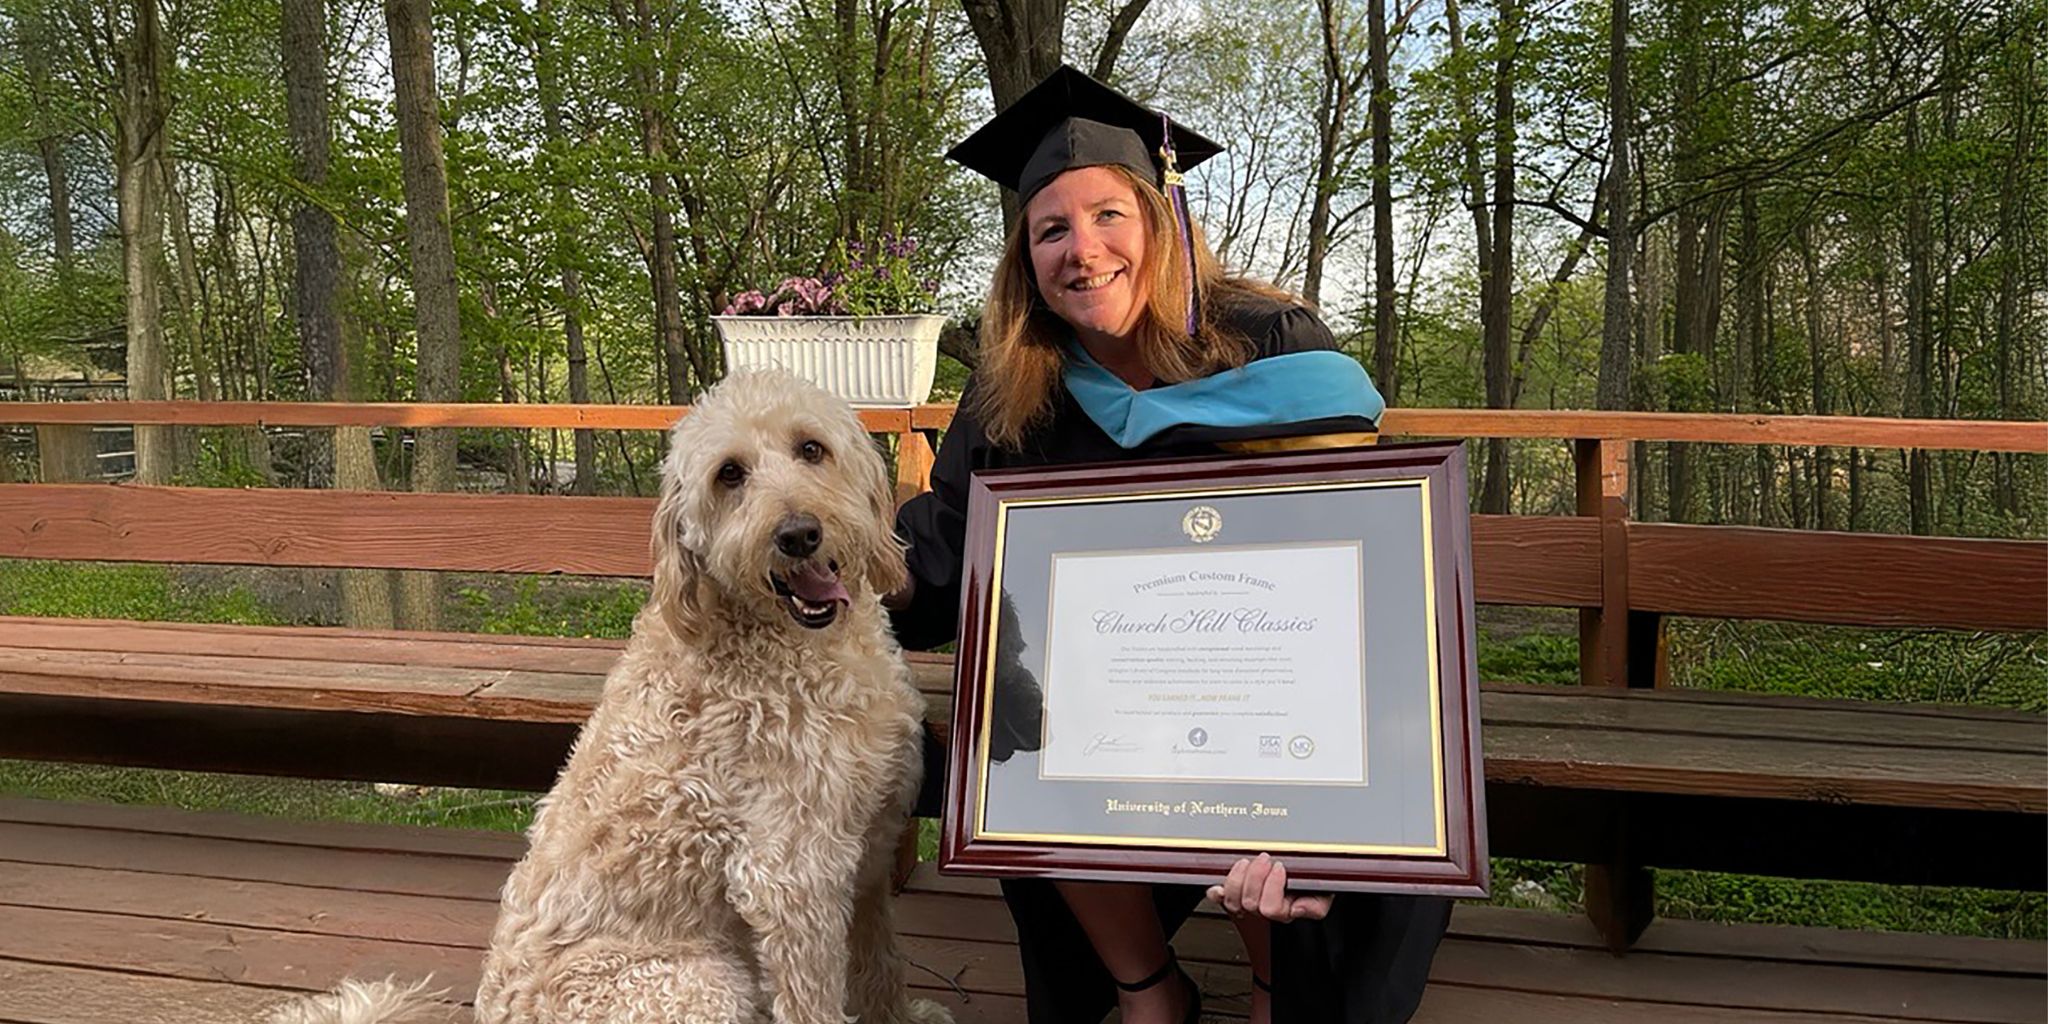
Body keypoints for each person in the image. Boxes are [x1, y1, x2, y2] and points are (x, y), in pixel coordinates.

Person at [887, 66, 1450, 1024]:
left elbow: (1360, 544)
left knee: (1300, 745)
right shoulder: (1014, 390)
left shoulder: (1271, 346)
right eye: (1052, 229)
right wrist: (816, 560)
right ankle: (1148, 987)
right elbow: (943, 559)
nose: (1083, 250)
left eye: (1109, 216)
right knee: (1010, 714)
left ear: (1162, 224)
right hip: (1111, 699)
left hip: (1273, 680)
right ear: (1025, 259)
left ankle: (1280, 979)